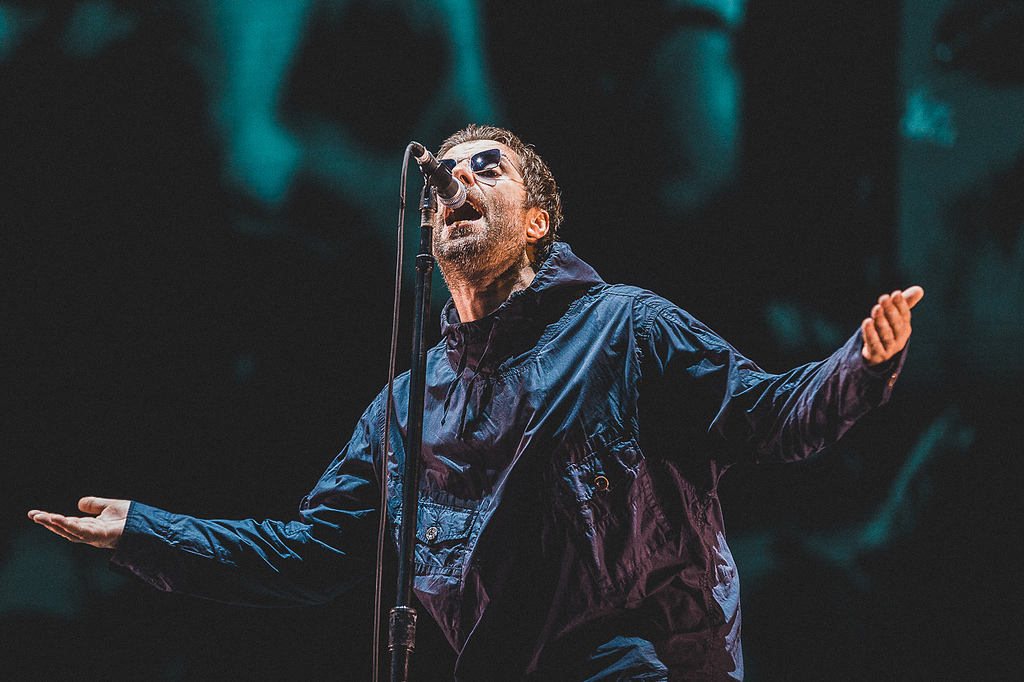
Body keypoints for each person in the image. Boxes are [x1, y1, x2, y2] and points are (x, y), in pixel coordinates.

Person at [28, 124, 922, 681]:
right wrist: (147, 531)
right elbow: (307, 555)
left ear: (536, 219)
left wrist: (860, 361)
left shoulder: (625, 328)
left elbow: (769, 416)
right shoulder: (406, 408)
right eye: (443, 179)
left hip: (643, 660)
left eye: (485, 168)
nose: (456, 182)